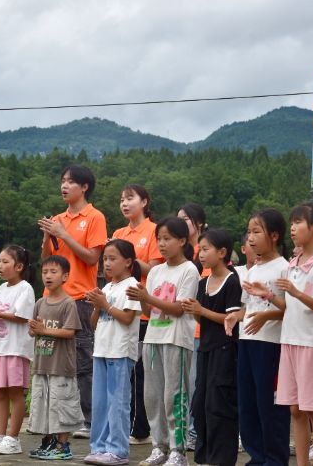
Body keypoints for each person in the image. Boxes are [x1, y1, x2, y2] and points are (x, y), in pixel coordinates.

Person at [38, 164, 107, 439]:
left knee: (82, 361)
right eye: (62, 181)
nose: (64, 186)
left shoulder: (95, 217)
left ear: (84, 186)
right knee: (51, 360)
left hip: (80, 297)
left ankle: (88, 420)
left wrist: (64, 234)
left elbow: (92, 258)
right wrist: (48, 236)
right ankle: (57, 419)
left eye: (70, 182)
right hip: (52, 298)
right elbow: (47, 260)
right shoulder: (58, 218)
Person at [126, 217, 200, 466]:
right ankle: (159, 446)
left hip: (176, 339)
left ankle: (178, 451)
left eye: (167, 239)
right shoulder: (156, 271)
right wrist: (141, 297)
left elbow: (179, 309)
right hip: (153, 338)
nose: (162, 244)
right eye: (159, 239)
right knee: (153, 396)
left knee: (174, 396)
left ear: (182, 241)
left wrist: (148, 297)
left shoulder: (189, 270)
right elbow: (149, 312)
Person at [225, 209, 291, 466]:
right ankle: (257, 456)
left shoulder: (284, 268)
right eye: (248, 232)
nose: (250, 237)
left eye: (256, 231)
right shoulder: (253, 270)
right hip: (247, 341)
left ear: (274, 235)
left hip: (270, 344)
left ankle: (274, 458)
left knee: (269, 405)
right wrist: (236, 316)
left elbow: (290, 310)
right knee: (248, 403)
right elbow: (249, 307)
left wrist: (267, 314)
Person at [276, 202, 313, 466]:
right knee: (296, 409)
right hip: (290, 341)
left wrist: (297, 293)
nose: (293, 228)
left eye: (298, 222)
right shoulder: (293, 263)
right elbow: (289, 306)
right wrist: (268, 295)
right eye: (292, 222)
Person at [181, 229, 241, 466]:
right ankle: (205, 456)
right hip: (205, 349)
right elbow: (201, 319)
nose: (201, 254)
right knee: (201, 403)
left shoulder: (232, 281)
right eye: (200, 250)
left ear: (222, 252)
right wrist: (194, 311)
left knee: (219, 404)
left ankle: (222, 458)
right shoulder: (203, 282)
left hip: (225, 349)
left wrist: (201, 310)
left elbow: (230, 319)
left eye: (206, 249)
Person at [83, 239, 142, 466]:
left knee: (117, 402)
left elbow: (127, 318)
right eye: (105, 259)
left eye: (112, 258)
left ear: (128, 262)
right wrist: (98, 305)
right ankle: (99, 447)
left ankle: (118, 450)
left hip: (120, 351)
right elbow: (94, 323)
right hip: (102, 350)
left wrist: (105, 304)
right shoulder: (107, 288)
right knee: (100, 402)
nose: (107, 263)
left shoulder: (132, 286)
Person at [112, 184, 163, 445]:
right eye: (122, 199)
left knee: (141, 373)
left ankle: (140, 428)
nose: (124, 203)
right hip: (120, 306)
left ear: (144, 202)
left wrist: (127, 257)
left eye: (130, 198)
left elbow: (155, 268)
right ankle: (126, 424)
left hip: (143, 310)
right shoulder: (118, 233)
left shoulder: (153, 231)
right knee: (123, 370)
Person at [0, 245, 36, 455]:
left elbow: (22, 316)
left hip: (15, 349)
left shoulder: (25, 288)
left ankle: (13, 438)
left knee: (15, 393)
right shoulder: (3, 288)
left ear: (19, 266)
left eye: (5, 262)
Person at [27, 255, 85, 461]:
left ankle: (63, 446)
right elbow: (33, 331)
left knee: (61, 406)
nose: (48, 276)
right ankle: (49, 442)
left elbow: (70, 331)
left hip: (61, 366)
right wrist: (34, 329)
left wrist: (44, 330)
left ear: (65, 276)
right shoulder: (40, 302)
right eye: (45, 272)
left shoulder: (68, 303)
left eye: (53, 272)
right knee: (44, 405)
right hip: (42, 364)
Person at [177, 202, 207, 451]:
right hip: (179, 327)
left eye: (186, 219)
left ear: (200, 224)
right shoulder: (179, 253)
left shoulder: (206, 250)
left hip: (199, 328)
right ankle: (184, 430)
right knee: (183, 384)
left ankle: (194, 432)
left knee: (196, 383)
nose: (181, 223)